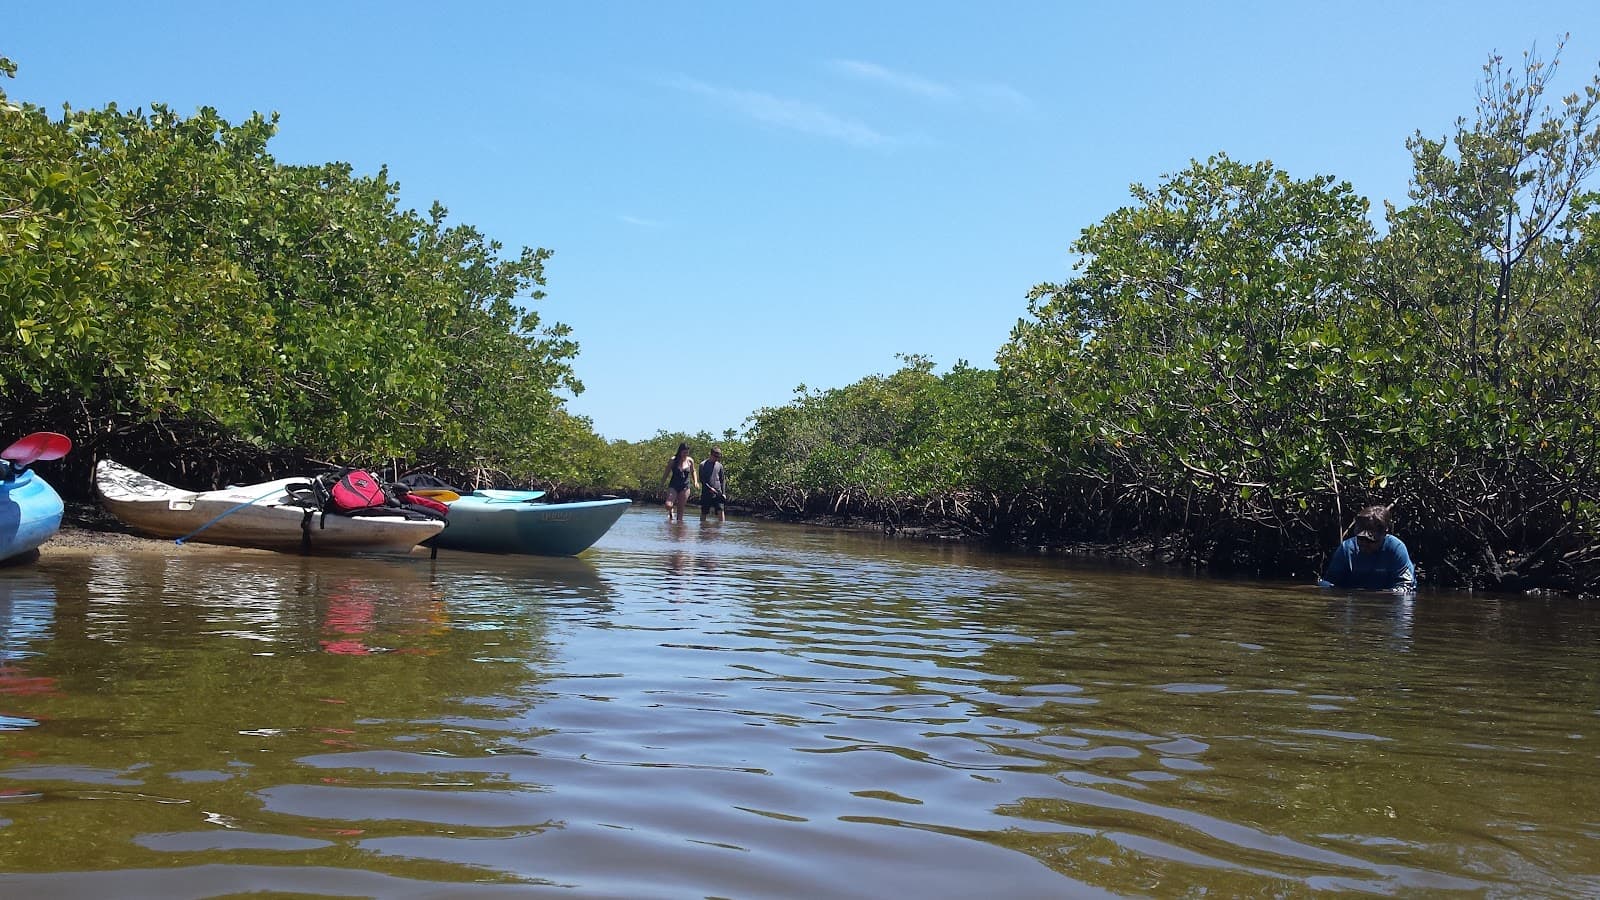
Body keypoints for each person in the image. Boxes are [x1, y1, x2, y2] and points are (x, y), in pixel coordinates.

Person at [1319, 505, 1416, 591]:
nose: (1364, 544)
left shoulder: (1396, 548)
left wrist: (1372, 597)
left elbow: (1406, 587)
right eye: (1361, 539)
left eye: (1370, 540)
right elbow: (1329, 582)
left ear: (1384, 534)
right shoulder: (1346, 549)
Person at [662, 442, 698, 523]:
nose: (686, 454)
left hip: (685, 486)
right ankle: (671, 511)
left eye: (687, 452)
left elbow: (693, 471)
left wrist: (695, 482)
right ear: (680, 451)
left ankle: (678, 532)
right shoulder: (673, 460)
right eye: (684, 452)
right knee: (668, 504)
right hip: (674, 485)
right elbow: (666, 472)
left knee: (680, 511)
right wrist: (662, 482)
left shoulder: (690, 461)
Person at [699, 446, 727, 521]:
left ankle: (721, 529)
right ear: (711, 454)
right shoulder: (703, 465)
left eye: (719, 457)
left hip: (718, 493)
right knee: (704, 512)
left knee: (721, 510)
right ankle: (703, 529)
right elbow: (702, 480)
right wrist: (709, 488)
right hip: (706, 493)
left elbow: (723, 480)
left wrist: (723, 493)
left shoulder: (720, 466)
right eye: (716, 456)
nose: (717, 458)